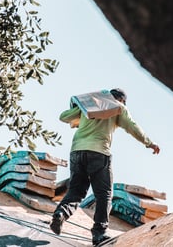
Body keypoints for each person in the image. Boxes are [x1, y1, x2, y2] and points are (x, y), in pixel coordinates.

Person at [50, 88, 160, 246]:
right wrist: (149, 143)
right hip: (99, 153)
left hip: (77, 152)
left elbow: (63, 117)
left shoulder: (90, 105)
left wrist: (78, 108)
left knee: (76, 191)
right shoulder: (119, 108)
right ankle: (99, 233)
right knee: (104, 195)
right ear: (121, 100)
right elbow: (132, 126)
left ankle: (61, 213)